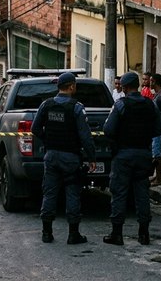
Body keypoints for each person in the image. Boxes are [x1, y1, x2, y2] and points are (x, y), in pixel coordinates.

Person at [31, 72, 96, 244]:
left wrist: (48, 140)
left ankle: (46, 233)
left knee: (49, 193)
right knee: (72, 193)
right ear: (71, 86)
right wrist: (92, 157)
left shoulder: (46, 104)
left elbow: (35, 128)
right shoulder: (76, 107)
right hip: (71, 157)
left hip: (51, 155)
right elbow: (85, 136)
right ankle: (73, 234)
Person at [102, 72, 161, 246]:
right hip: (143, 154)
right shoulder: (150, 104)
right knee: (142, 194)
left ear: (124, 86)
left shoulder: (121, 105)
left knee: (119, 193)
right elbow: (159, 129)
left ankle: (117, 233)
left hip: (123, 154)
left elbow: (108, 129)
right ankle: (144, 233)